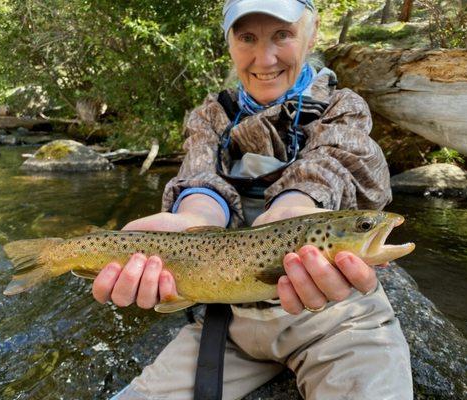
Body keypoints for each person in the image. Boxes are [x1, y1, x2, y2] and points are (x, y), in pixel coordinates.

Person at [93, 0, 413, 398]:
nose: (265, 57)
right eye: (247, 37)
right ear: (229, 43)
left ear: (311, 35)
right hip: (227, 323)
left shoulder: (342, 108)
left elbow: (331, 164)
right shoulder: (211, 116)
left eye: (283, 35)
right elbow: (200, 178)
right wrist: (187, 221)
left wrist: (295, 211)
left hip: (336, 317)